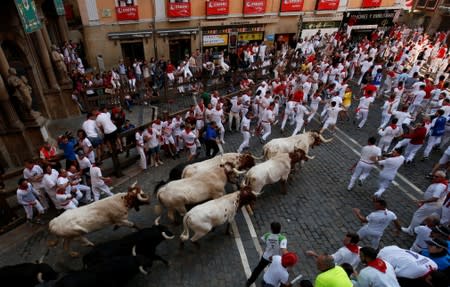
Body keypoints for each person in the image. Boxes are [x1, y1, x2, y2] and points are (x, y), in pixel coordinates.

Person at [401, 170, 448, 235]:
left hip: (431, 205)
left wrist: (423, 201)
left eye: (436, 177)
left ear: (442, 178)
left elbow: (435, 198)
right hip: (434, 205)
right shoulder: (442, 184)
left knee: (417, 215)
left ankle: (411, 231)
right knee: (426, 217)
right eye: (434, 176)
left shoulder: (440, 186)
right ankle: (420, 229)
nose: (434, 177)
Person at [246, 222, 288, 287]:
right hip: (277, 259)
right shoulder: (283, 238)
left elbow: (263, 240)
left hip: (266, 256)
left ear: (271, 229)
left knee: (258, 269)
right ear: (280, 229)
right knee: (275, 270)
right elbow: (284, 249)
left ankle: (250, 281)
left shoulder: (267, 235)